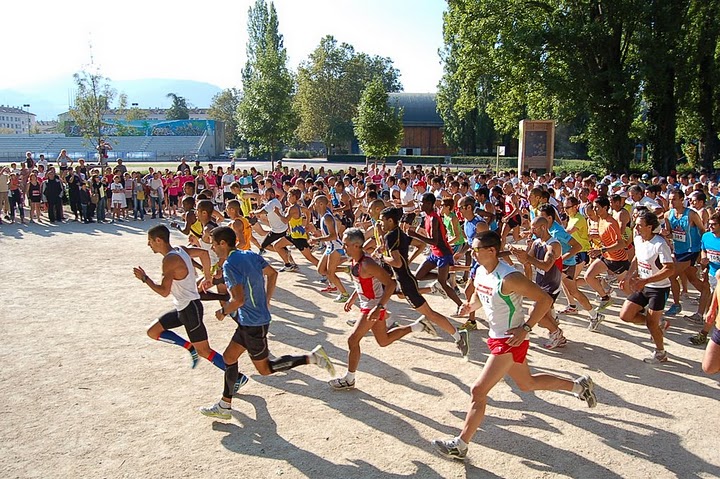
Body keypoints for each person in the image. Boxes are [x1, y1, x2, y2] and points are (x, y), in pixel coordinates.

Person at [431, 230, 597, 461]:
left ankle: (461, 444)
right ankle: (578, 386)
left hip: (510, 340)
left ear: (491, 250)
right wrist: (470, 307)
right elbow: (482, 295)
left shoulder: (510, 277)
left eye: (476, 249)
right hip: (496, 337)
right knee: (527, 384)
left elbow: (545, 300)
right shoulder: (480, 271)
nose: (472, 253)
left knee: (478, 390)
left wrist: (527, 328)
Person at [199, 227, 335, 419]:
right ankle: (225, 405)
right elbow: (272, 274)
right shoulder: (249, 255)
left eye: (213, 244)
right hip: (252, 320)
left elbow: (238, 300)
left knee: (265, 369)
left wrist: (223, 311)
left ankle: (312, 357)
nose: (212, 249)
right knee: (229, 358)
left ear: (222, 243)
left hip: (252, 324)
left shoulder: (229, 265)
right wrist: (267, 300)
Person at [328, 228, 438, 390]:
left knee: (352, 339)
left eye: (346, 245)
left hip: (372, 307)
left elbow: (391, 284)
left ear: (357, 245)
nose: (344, 247)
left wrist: (379, 307)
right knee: (383, 341)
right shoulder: (355, 261)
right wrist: (352, 298)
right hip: (370, 306)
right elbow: (361, 284)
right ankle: (418, 325)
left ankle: (349, 378)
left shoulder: (368, 263)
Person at [133, 225, 242, 385]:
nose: (149, 245)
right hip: (182, 308)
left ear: (158, 240)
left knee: (204, 351)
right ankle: (190, 347)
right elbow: (204, 254)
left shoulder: (169, 260)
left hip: (190, 310)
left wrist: (145, 279)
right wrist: (207, 277)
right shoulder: (180, 249)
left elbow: (164, 291)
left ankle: (237, 377)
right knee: (153, 331)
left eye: (150, 241)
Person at [380, 207, 470, 358]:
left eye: (383, 220)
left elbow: (397, 263)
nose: (381, 224)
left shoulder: (390, 237)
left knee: (430, 314)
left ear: (390, 220)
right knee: (398, 294)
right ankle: (432, 289)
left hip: (406, 281)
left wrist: (383, 258)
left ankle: (458, 336)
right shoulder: (399, 233)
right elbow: (420, 245)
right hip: (405, 280)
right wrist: (408, 260)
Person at [618, 210, 675, 363]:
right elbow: (637, 257)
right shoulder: (637, 239)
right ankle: (659, 325)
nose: (636, 228)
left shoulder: (660, 244)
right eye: (635, 225)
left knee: (651, 324)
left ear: (650, 227)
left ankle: (660, 352)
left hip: (659, 288)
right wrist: (629, 275)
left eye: (639, 225)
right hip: (643, 285)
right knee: (625, 315)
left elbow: (670, 268)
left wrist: (646, 280)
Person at [406, 192, 464, 313]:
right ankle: (444, 276)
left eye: (422, 202)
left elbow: (434, 241)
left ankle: (461, 305)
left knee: (442, 283)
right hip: (435, 253)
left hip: (443, 254)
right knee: (419, 276)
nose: (420, 204)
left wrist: (415, 235)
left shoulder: (433, 218)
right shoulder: (428, 216)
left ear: (428, 204)